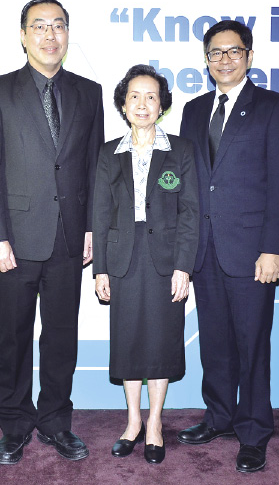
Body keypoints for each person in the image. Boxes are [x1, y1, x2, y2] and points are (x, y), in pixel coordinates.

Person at [0, 0, 104, 465]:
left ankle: (55, 422)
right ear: (23, 35)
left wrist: (92, 229)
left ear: (68, 33)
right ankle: (13, 424)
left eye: (58, 26)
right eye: (40, 26)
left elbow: (93, 166)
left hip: (69, 239)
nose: (50, 35)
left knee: (61, 337)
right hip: (14, 240)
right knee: (13, 337)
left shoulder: (89, 92)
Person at [177, 20, 279, 473]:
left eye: (234, 51)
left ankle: (253, 431)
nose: (224, 59)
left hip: (252, 253)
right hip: (205, 250)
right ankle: (219, 417)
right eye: (216, 52)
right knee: (214, 343)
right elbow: (189, 181)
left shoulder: (273, 107)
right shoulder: (193, 110)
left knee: (252, 345)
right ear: (206, 59)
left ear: (249, 56)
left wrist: (273, 249)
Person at [92, 64, 198, 465]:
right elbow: (100, 213)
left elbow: (190, 213)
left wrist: (184, 266)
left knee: (161, 340)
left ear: (162, 105)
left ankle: (155, 424)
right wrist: (100, 268)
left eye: (151, 96)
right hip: (122, 256)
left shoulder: (181, 150)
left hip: (165, 260)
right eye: (134, 96)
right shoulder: (109, 153)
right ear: (123, 104)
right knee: (129, 341)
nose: (142, 104)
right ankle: (133, 421)